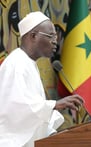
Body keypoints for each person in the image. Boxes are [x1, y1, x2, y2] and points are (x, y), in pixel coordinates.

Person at [0, 11, 84, 147]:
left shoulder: (28, 63)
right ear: (33, 36)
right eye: (51, 36)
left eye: (55, 36)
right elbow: (17, 109)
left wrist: (50, 133)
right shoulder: (16, 63)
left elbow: (33, 115)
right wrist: (55, 105)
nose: (55, 41)